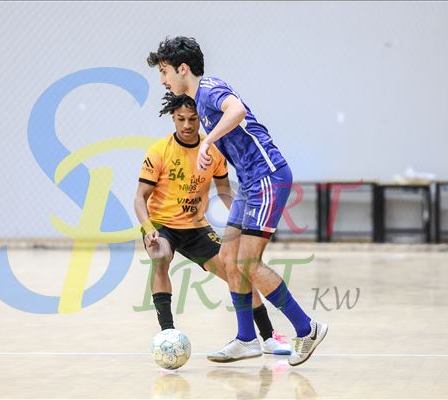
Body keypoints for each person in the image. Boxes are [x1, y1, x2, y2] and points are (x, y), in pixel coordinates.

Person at [147, 36, 327, 366]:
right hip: (248, 183)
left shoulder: (209, 89)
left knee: (248, 264)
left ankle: (307, 328)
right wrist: (210, 148)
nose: (162, 80)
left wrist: (207, 143)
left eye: (164, 71)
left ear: (182, 69)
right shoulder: (200, 102)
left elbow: (237, 110)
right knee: (230, 259)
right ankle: (247, 338)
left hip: (267, 177)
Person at [134, 92, 291, 356]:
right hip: (162, 226)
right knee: (160, 256)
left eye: (192, 119)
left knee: (236, 272)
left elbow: (226, 193)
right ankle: (167, 333)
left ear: (200, 119)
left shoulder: (212, 150)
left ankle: (268, 336)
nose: (187, 125)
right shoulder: (159, 152)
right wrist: (148, 229)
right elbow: (140, 197)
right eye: (181, 119)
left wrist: (248, 224)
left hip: (196, 228)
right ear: (173, 118)